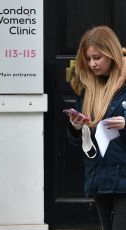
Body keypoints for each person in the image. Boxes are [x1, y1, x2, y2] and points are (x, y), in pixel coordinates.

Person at [67, 25, 126, 230]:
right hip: (99, 174)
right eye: (88, 58)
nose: (92, 64)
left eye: (97, 58)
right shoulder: (87, 90)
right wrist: (76, 128)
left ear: (111, 54)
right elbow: (82, 142)